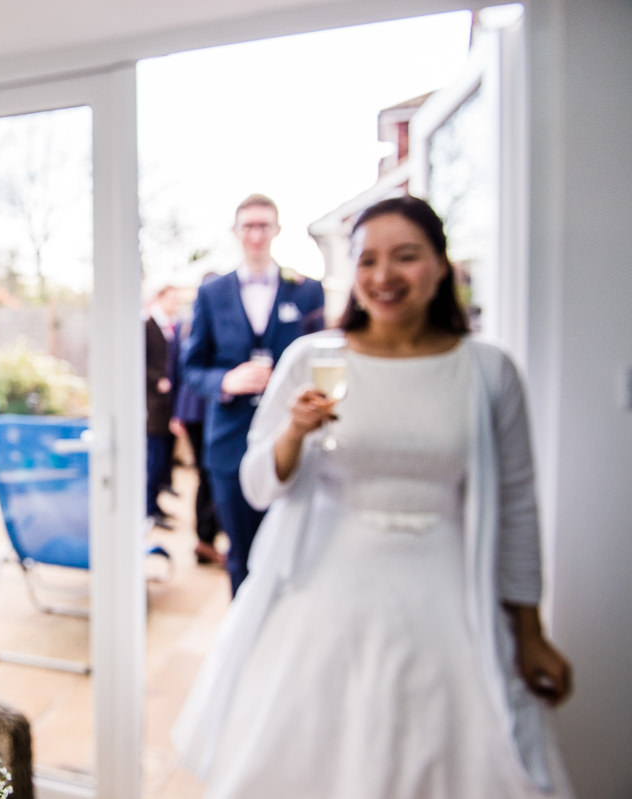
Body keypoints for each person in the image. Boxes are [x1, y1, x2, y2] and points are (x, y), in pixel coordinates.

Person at [172, 195, 574, 798]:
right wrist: (294, 433)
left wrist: (529, 628)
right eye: (368, 261)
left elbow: (516, 503)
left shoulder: (489, 372)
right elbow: (257, 483)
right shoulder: (313, 358)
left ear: (440, 265)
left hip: (447, 588)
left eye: (406, 257)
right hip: (328, 582)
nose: (384, 277)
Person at [181, 194, 324, 594]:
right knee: (241, 556)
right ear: (236, 232)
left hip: (290, 440)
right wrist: (225, 382)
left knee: (292, 553)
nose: (256, 235)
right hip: (230, 442)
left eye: (264, 225)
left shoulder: (307, 291)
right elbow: (191, 369)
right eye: (248, 226)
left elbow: (321, 360)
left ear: (276, 231)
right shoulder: (212, 294)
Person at [171, 272, 223, 565]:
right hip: (202, 409)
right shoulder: (199, 323)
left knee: (206, 474)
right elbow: (181, 369)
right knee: (210, 474)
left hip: (194, 409)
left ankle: (207, 536)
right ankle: (205, 538)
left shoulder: (186, 322)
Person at [145, 281, 180, 529]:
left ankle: (156, 504)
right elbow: (139, 362)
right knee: (155, 458)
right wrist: (158, 381)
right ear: (160, 298)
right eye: (172, 299)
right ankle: (148, 509)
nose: (176, 304)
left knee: (166, 457)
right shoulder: (147, 326)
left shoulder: (173, 327)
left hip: (171, 406)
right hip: (154, 406)